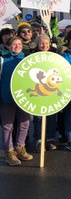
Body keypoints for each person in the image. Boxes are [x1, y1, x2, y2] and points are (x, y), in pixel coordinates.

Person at [0, 37, 33, 166]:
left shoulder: (27, 59)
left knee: (25, 123)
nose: (17, 46)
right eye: (14, 44)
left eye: (19, 44)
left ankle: (20, 148)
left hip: (24, 98)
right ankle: (9, 152)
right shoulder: (2, 60)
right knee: (7, 126)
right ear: (8, 46)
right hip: (6, 97)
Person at [32, 34, 59, 152]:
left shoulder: (55, 56)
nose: (44, 45)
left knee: (52, 116)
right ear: (38, 44)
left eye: (47, 43)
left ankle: (50, 139)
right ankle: (39, 139)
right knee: (38, 117)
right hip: (37, 90)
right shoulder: (32, 57)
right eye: (42, 43)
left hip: (51, 91)